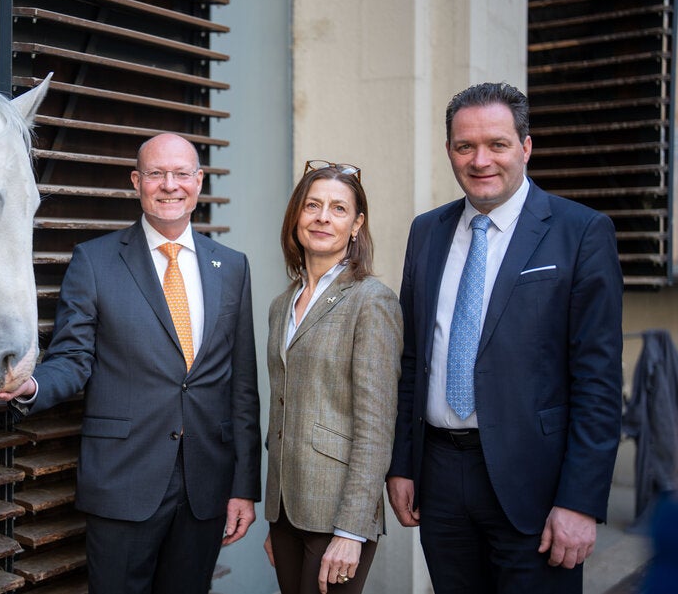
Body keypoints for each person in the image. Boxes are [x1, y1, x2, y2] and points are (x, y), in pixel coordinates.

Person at [0, 133, 261, 594]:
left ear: (198, 182)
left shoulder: (233, 266)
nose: (170, 185)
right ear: (136, 182)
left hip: (206, 484)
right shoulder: (95, 261)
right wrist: (29, 386)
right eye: (156, 174)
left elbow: (241, 385)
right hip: (125, 479)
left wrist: (243, 486)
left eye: (181, 173)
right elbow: (73, 358)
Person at [385, 82, 623, 593]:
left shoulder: (580, 232)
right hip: (440, 478)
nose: (480, 160)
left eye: (497, 144)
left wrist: (581, 501)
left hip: (536, 485)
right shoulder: (427, 231)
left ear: (526, 147)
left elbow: (598, 382)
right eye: (464, 146)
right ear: (449, 150)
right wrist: (402, 464)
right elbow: (411, 359)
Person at [263, 160, 401, 594]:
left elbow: (376, 426)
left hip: (337, 514)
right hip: (285, 510)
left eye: (338, 209)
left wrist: (352, 530)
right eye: (312, 205)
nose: (323, 217)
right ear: (296, 218)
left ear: (357, 224)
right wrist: (276, 517)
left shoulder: (371, 300)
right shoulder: (281, 304)